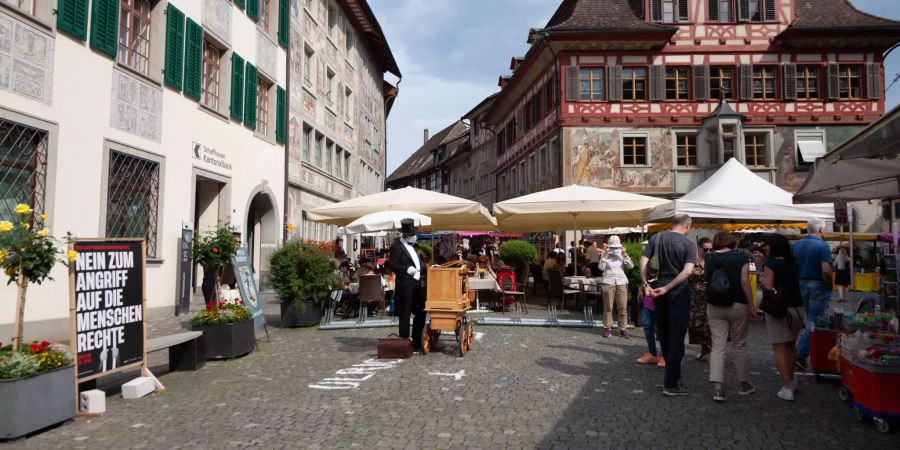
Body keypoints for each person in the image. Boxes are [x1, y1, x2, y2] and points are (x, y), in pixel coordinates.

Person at [640, 214, 697, 397]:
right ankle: (671, 383)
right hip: (677, 290)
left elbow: (643, 261)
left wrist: (645, 284)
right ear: (687, 226)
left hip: (657, 288)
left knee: (663, 332)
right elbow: (688, 271)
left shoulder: (656, 238)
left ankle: (671, 375)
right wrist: (668, 287)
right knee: (677, 335)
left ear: (672, 224)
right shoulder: (689, 244)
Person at [703, 232, 756, 402]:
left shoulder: (709, 257)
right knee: (739, 345)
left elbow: (707, 281)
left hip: (715, 305)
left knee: (718, 346)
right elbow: (744, 282)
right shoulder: (741, 256)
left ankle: (718, 388)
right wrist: (752, 305)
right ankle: (743, 383)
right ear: (732, 241)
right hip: (737, 304)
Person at [760, 233, 805, 401]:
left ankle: (786, 388)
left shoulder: (770, 263)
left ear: (773, 246)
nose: (764, 247)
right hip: (797, 307)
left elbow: (769, 286)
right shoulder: (793, 262)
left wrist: (762, 279)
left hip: (779, 309)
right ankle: (791, 381)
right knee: (791, 346)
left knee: (779, 348)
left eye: (767, 244)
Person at [793, 219, 833, 371]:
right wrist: (830, 283)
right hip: (817, 284)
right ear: (821, 230)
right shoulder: (822, 245)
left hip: (800, 283)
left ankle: (800, 354)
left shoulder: (796, 245)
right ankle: (800, 355)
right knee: (813, 321)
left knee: (808, 318)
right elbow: (826, 270)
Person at [389, 219, 426, 353]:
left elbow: (418, 265)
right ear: (405, 234)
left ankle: (416, 341)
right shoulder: (396, 246)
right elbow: (392, 265)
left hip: (416, 283)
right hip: (405, 284)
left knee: (421, 311)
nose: (413, 235)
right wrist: (406, 269)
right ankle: (404, 343)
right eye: (411, 233)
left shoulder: (413, 246)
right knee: (405, 314)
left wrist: (427, 268)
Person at [598, 235, 634, 338]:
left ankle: (623, 329)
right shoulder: (605, 253)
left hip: (621, 280)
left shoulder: (622, 253)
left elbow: (631, 266)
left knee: (622, 306)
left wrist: (625, 254)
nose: (614, 250)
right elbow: (601, 267)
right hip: (608, 280)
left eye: (616, 247)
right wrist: (606, 255)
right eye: (613, 247)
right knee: (608, 306)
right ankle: (607, 328)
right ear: (609, 246)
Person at [689, 237, 713, 361]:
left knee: (710, 326)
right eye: (706, 249)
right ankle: (705, 348)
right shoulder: (692, 261)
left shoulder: (713, 260)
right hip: (696, 298)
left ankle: (713, 350)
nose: (708, 251)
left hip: (711, 297)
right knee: (696, 326)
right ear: (699, 248)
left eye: (710, 249)